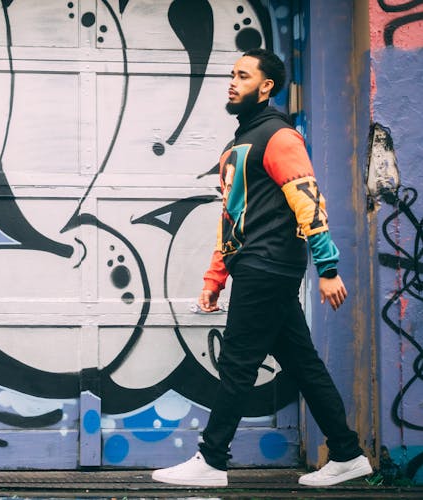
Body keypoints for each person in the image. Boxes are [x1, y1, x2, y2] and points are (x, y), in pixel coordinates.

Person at [152, 48, 372, 488]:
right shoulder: (237, 146)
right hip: (255, 264)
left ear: (266, 86)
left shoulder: (280, 138)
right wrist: (215, 278)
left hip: (268, 265)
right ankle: (347, 454)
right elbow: (232, 217)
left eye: (243, 76)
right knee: (302, 362)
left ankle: (211, 461)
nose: (232, 82)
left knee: (237, 362)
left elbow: (308, 199)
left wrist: (327, 267)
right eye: (231, 75)